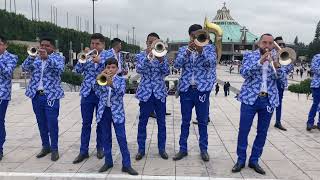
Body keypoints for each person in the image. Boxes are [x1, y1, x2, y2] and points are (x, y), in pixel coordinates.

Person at [231, 33, 284, 175]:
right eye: (264, 43)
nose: (267, 46)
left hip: (268, 99)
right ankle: (241, 159)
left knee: (262, 132)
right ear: (259, 43)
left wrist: (278, 66)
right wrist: (260, 62)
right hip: (250, 99)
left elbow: (283, 81)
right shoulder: (250, 55)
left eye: (270, 43)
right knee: (244, 130)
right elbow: (244, 73)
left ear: (273, 45)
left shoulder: (278, 57)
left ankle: (254, 160)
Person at [172, 24, 216, 162]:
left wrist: (201, 51)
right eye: (194, 35)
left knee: (202, 121)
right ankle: (182, 149)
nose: (197, 38)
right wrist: (188, 52)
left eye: (199, 35)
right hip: (186, 90)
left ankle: (204, 150)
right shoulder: (183, 49)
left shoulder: (209, 48)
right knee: (185, 121)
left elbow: (212, 63)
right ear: (190, 36)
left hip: (201, 90)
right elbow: (176, 65)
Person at [22, 35, 65, 161]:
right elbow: (24, 67)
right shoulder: (35, 57)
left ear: (53, 47)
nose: (44, 47)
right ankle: (46, 146)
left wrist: (47, 59)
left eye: (47, 45)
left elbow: (60, 70)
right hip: (36, 95)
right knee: (41, 122)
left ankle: (55, 149)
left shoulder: (58, 57)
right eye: (42, 45)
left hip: (51, 95)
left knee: (52, 123)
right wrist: (31, 56)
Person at [73, 33, 113, 164]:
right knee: (86, 123)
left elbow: (114, 71)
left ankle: (100, 148)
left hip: (102, 93)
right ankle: (83, 151)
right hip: (87, 93)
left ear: (103, 44)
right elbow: (77, 70)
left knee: (101, 123)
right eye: (92, 44)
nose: (94, 46)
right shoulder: (87, 55)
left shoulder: (109, 55)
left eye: (97, 44)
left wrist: (100, 61)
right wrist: (82, 59)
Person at [95, 58, 138, 175]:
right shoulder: (101, 79)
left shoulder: (120, 80)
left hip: (117, 112)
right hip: (104, 112)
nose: (110, 69)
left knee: (121, 138)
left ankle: (127, 164)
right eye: (108, 67)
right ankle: (108, 162)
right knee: (105, 138)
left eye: (113, 67)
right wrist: (99, 80)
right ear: (105, 68)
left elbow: (121, 92)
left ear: (117, 69)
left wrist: (111, 84)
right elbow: (97, 92)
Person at [135, 32, 170, 160]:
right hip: (145, 93)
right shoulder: (140, 56)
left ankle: (162, 149)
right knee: (142, 122)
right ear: (146, 43)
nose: (152, 44)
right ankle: (141, 150)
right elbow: (139, 69)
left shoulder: (162, 55)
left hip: (159, 93)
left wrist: (161, 60)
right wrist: (148, 56)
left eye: (155, 42)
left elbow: (166, 72)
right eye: (150, 42)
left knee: (162, 122)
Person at [0, 35, 18, 161]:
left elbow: (7, 73)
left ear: (5, 45)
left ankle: (0, 148)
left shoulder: (11, 57)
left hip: (2, 94)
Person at [273, 36, 294, 131]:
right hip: (271, 82)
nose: (281, 46)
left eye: (282, 44)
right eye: (279, 44)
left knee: (279, 103)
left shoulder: (285, 56)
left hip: (280, 83)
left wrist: (289, 62)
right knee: (267, 102)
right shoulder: (271, 54)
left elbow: (288, 70)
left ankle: (278, 122)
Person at [306, 54, 320, 131]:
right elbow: (315, 69)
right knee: (315, 104)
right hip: (317, 85)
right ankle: (310, 123)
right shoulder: (317, 57)